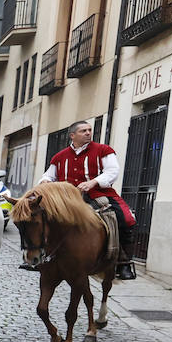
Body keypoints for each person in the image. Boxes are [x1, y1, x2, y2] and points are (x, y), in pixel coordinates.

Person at [39, 119, 137, 279]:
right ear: (72, 135)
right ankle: (39, 257)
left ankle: (123, 263)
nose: (88, 133)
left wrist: (94, 182)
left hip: (98, 195)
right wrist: (45, 182)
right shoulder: (59, 157)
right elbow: (49, 175)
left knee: (126, 219)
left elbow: (113, 171)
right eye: (83, 131)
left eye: (89, 130)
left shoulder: (103, 150)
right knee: (39, 217)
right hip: (67, 199)